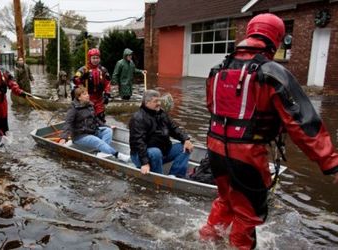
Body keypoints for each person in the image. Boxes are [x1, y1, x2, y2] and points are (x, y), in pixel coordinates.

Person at [199, 13, 338, 249]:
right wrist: (330, 163)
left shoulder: (217, 69)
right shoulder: (273, 72)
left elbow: (213, 107)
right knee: (247, 213)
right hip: (246, 155)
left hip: (215, 147)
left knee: (226, 198)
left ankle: (207, 237)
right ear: (276, 39)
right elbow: (302, 122)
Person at [129, 89, 194, 177]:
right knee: (156, 152)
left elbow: (174, 128)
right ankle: (159, 176)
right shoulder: (138, 118)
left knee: (185, 147)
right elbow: (138, 142)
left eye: (159, 100)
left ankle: (176, 175)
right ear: (146, 102)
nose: (159, 103)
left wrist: (186, 139)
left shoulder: (162, 114)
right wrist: (144, 163)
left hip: (162, 153)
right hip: (141, 156)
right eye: (156, 101)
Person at [59, 86, 130, 162]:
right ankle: (117, 155)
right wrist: (64, 138)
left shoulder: (89, 105)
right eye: (84, 94)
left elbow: (96, 119)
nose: (87, 95)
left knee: (108, 130)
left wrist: (107, 126)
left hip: (92, 131)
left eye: (87, 94)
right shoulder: (73, 109)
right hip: (80, 136)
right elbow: (68, 123)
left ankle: (102, 152)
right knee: (97, 141)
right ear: (79, 97)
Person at [72, 48, 111, 123]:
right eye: (93, 58)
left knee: (101, 118)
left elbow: (107, 82)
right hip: (87, 98)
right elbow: (75, 80)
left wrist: (107, 93)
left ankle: (102, 130)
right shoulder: (83, 69)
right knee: (87, 119)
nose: (95, 60)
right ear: (89, 58)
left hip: (99, 98)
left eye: (97, 58)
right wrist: (83, 77)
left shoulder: (103, 70)